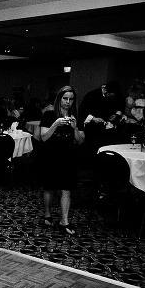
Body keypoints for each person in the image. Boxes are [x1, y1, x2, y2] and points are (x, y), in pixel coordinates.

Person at [37, 85, 85, 235]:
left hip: (68, 156)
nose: (68, 102)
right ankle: (47, 214)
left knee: (66, 189)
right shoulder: (49, 115)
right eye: (65, 98)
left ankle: (64, 221)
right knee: (49, 187)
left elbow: (81, 140)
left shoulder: (76, 115)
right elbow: (43, 137)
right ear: (59, 99)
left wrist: (75, 128)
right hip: (51, 155)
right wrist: (55, 124)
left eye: (71, 99)